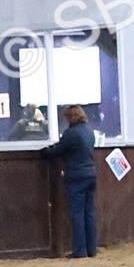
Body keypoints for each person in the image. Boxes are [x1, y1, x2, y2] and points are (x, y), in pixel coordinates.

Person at [41, 105, 98, 259]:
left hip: (76, 177)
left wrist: (45, 152)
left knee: (77, 214)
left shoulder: (71, 133)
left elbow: (58, 150)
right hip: (91, 174)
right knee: (89, 213)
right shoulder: (89, 131)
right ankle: (91, 249)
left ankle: (80, 251)